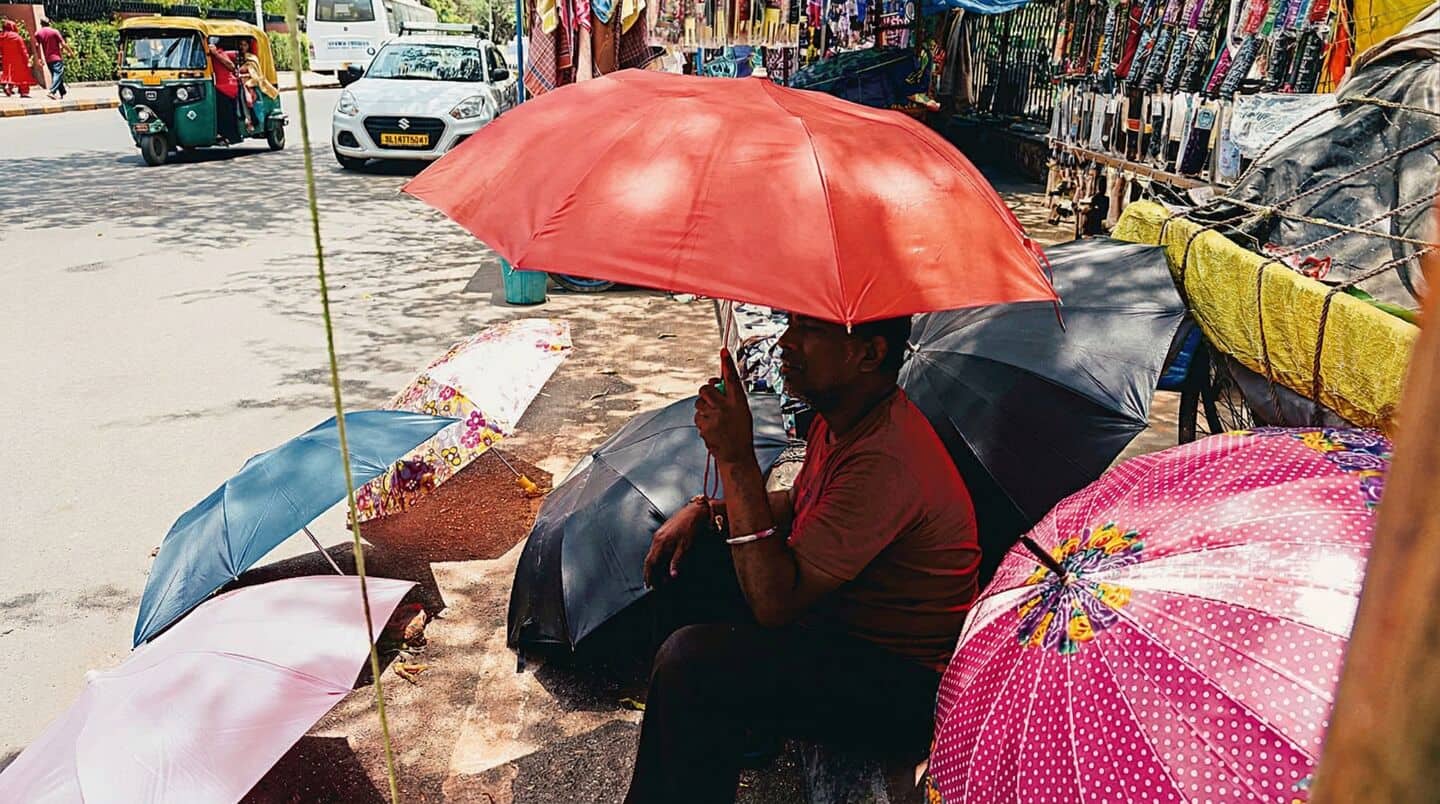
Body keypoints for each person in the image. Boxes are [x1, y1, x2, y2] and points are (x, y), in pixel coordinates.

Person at [626, 314, 982, 804]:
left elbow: (775, 602)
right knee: (685, 558)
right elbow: (798, 502)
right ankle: (738, 738)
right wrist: (707, 512)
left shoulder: (884, 460)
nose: (785, 343)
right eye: (790, 324)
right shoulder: (842, 418)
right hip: (838, 620)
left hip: (898, 682)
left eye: (810, 330)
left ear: (870, 354)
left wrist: (736, 459)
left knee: (693, 666)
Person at [206, 39, 242, 141]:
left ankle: (229, 135)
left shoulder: (220, 53)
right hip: (215, 85)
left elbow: (231, 66)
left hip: (226, 86)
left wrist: (216, 54)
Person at [236, 38, 276, 129]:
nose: (242, 47)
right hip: (239, 82)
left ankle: (250, 120)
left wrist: (243, 76)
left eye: (245, 45)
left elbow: (255, 74)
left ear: (248, 46)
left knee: (247, 98)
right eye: (241, 45)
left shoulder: (252, 58)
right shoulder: (238, 57)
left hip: (251, 83)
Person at [34, 19, 72, 100]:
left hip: (48, 59)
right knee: (58, 74)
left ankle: (62, 92)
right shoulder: (54, 32)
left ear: (41, 24)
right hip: (57, 57)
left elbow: (37, 46)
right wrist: (70, 52)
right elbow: (63, 44)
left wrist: (39, 58)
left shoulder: (38, 33)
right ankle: (52, 92)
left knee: (56, 75)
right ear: (49, 23)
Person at [0, 20, 35, 98]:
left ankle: (8, 87)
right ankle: (24, 92)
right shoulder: (16, 37)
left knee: (9, 74)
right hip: (18, 59)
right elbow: (23, 49)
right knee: (23, 74)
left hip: (6, 58)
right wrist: (27, 59)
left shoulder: (1, 37)